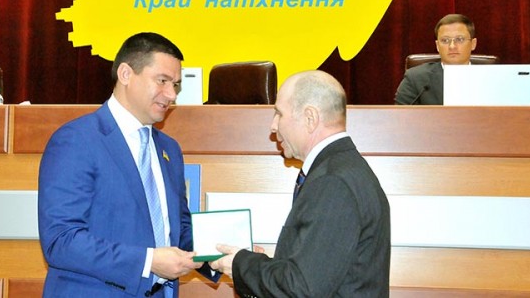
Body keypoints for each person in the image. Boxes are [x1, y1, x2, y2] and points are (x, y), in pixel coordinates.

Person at [38, 32, 214, 297]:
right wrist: (148, 261)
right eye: (162, 81)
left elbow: (178, 230)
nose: (171, 95)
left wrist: (226, 255)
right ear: (125, 74)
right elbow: (61, 241)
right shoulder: (76, 140)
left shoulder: (170, 150)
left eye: (176, 85)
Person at [210, 70, 391, 297]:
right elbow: (311, 273)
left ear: (310, 118)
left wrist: (240, 264)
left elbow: (302, 288)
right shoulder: (342, 170)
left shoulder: (333, 182)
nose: (273, 126)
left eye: (279, 114)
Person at [394, 13, 478, 105]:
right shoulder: (416, 78)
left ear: (473, 44)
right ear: (437, 46)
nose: (452, 46)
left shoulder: (488, 79)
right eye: (445, 40)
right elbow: (401, 113)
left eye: (459, 39)